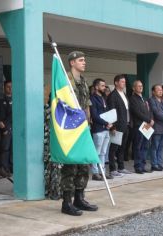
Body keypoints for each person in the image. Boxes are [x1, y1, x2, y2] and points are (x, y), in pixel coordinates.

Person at [60, 51, 98, 216]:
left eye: (84, 60)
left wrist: (88, 123)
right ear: (72, 63)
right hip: (71, 129)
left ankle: (79, 198)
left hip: (83, 129)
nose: (84, 63)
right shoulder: (65, 81)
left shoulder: (83, 81)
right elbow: (61, 104)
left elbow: (87, 104)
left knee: (83, 165)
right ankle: (66, 202)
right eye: (81, 60)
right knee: (71, 166)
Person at [89, 78, 113, 181]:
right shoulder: (92, 98)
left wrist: (110, 123)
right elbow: (94, 115)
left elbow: (106, 113)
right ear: (96, 87)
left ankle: (102, 171)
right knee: (96, 152)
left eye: (104, 85)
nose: (104, 87)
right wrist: (106, 123)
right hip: (98, 129)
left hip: (106, 128)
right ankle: (95, 172)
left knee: (103, 152)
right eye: (102, 86)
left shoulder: (104, 98)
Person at [129, 80, 153, 174]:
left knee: (145, 146)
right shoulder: (133, 99)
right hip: (139, 125)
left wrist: (151, 119)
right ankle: (138, 166)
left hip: (147, 125)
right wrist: (148, 119)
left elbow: (149, 110)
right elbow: (136, 112)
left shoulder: (144, 98)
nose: (140, 87)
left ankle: (143, 165)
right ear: (134, 88)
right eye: (138, 86)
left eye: (141, 86)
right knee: (138, 146)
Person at [148, 84, 163, 171]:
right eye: (158, 89)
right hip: (156, 127)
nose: (160, 91)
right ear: (153, 92)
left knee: (161, 147)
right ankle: (154, 164)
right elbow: (156, 112)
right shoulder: (151, 100)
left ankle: (159, 163)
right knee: (155, 147)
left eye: (161, 89)